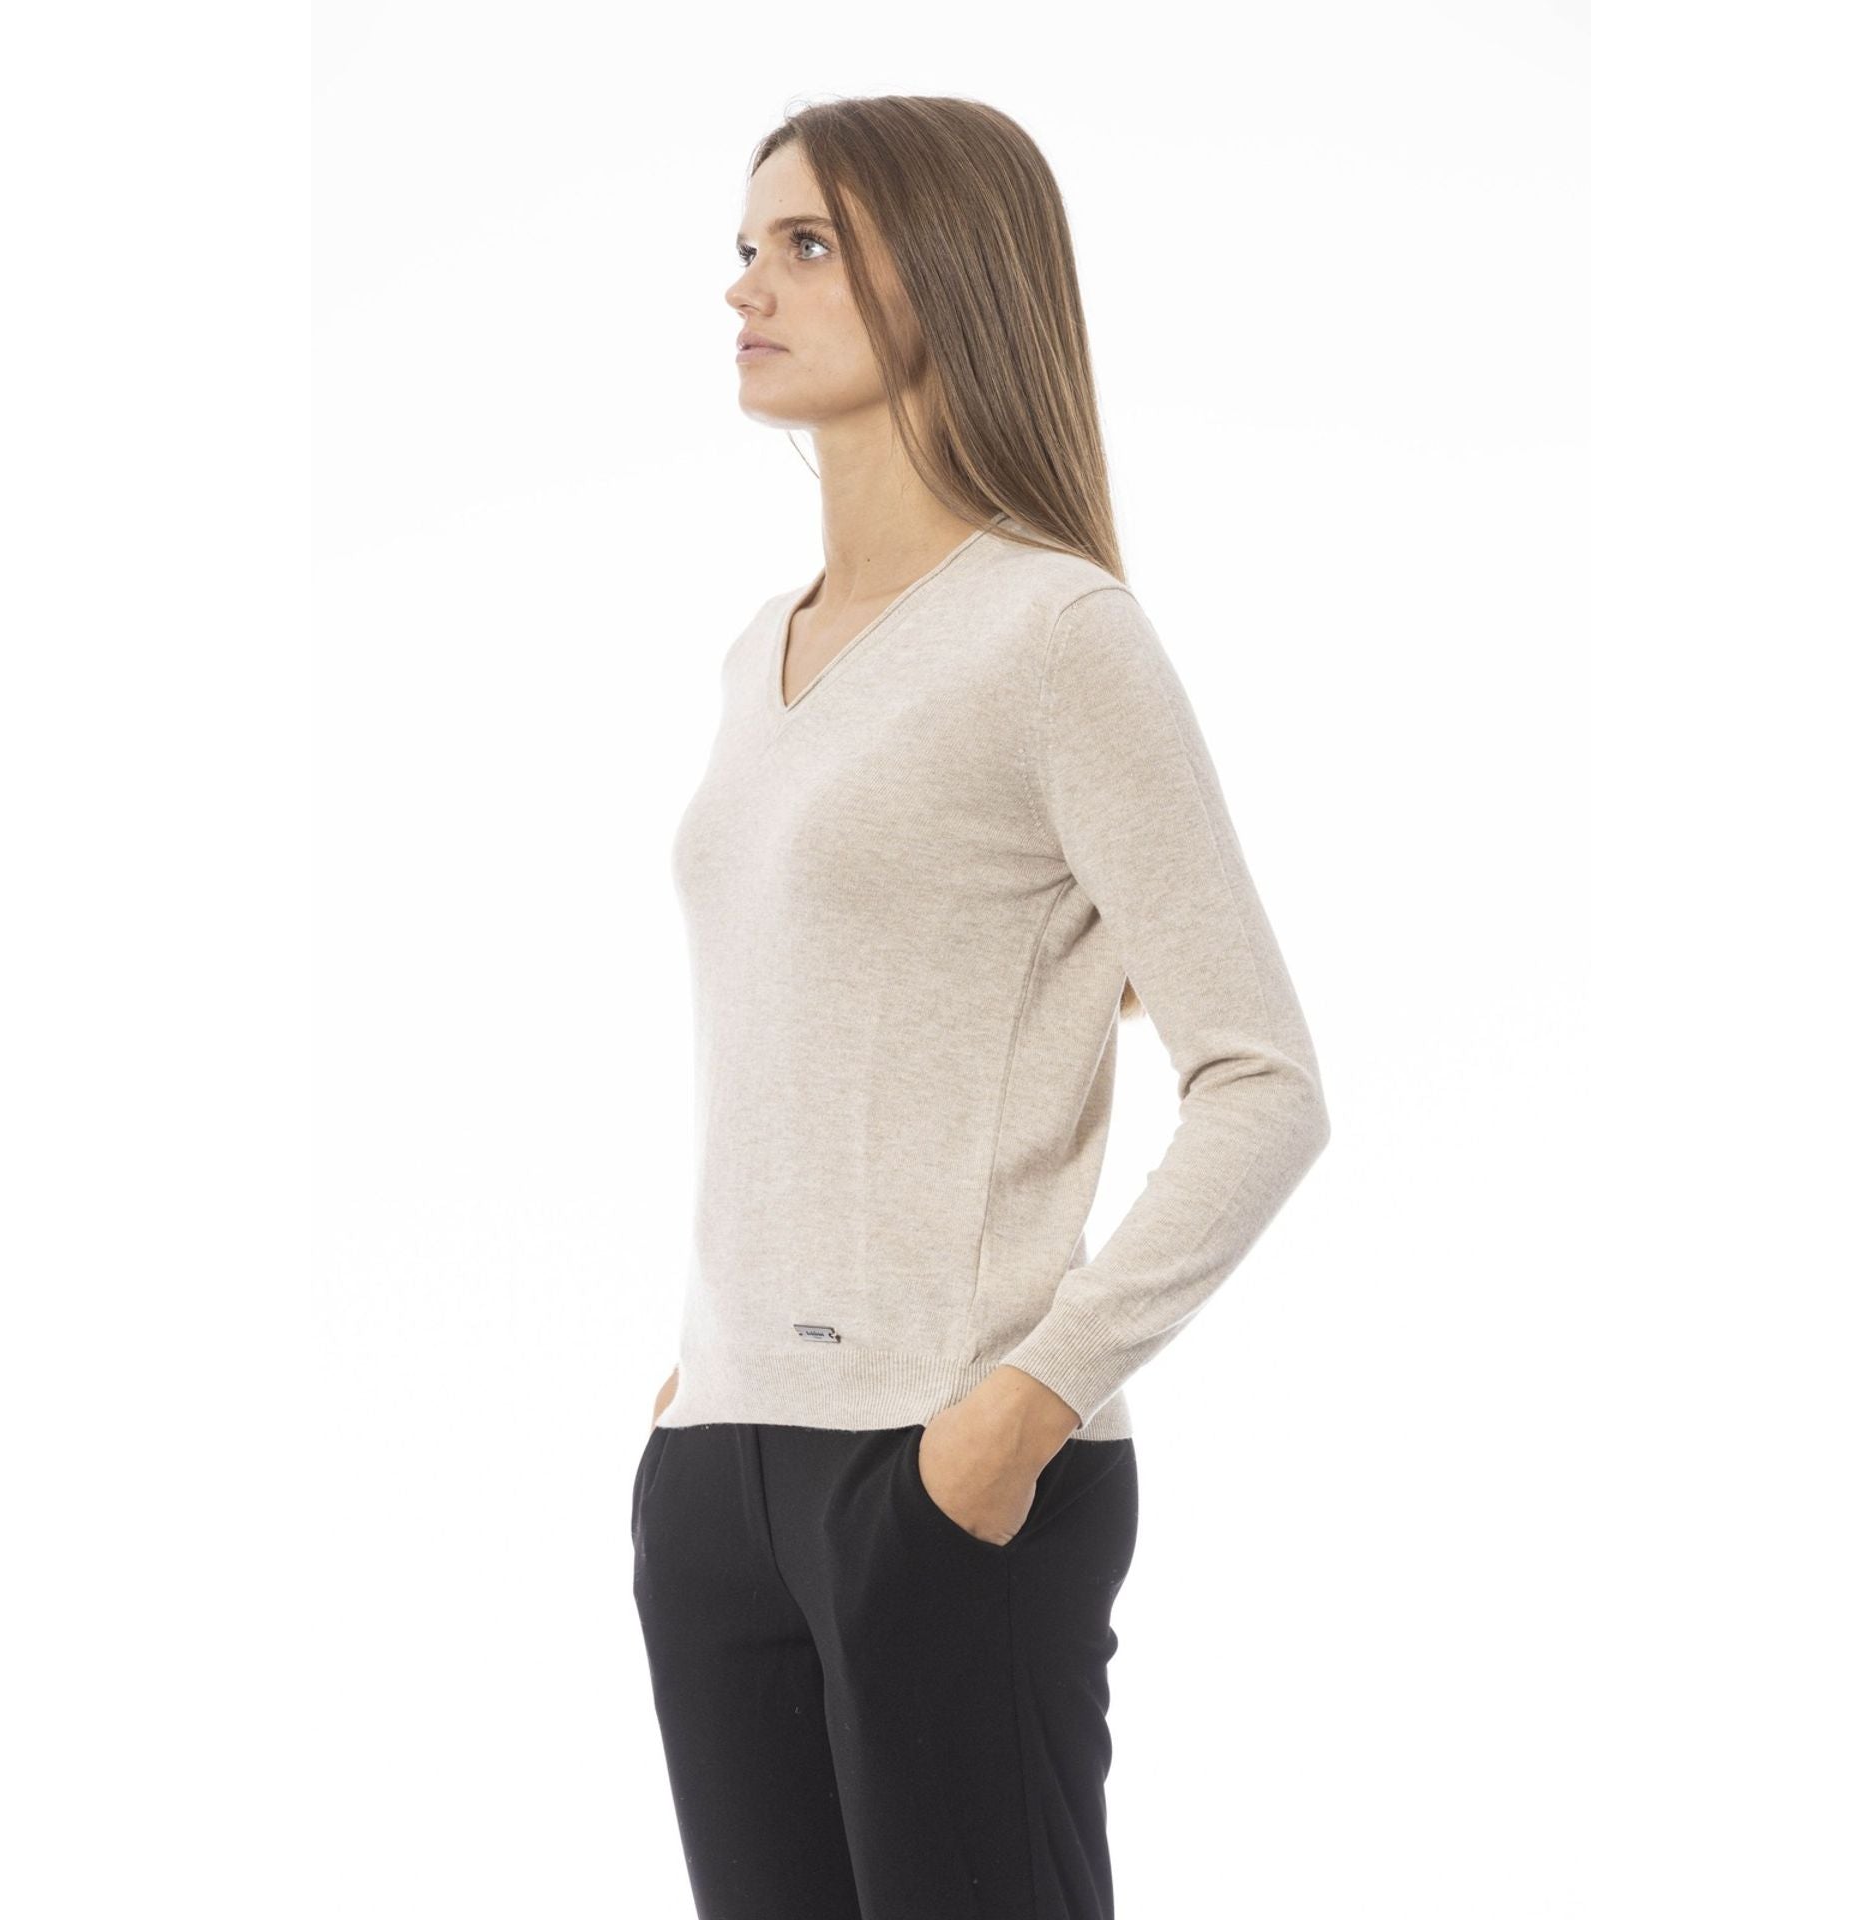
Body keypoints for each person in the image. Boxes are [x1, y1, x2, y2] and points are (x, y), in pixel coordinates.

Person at [632, 95, 1330, 1920]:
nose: (745, 288)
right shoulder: (759, 652)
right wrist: (708, 1385)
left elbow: (1264, 1081)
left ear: (946, 275)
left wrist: (1027, 1401)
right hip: (719, 1477)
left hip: (945, 1470)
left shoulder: (1053, 635)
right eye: (745, 246)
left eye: (806, 246)